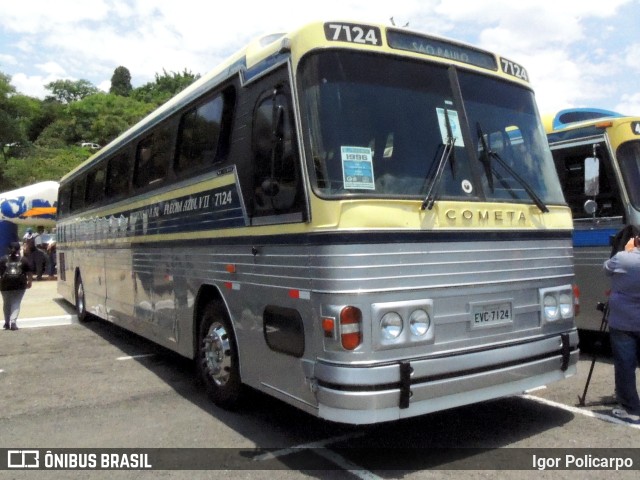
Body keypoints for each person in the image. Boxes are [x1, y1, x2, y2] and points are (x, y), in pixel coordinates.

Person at [604, 234, 640, 423]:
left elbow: (606, 268)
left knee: (625, 365)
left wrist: (628, 250)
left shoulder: (623, 258)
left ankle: (631, 408)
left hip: (623, 322)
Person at [0, 242, 33, 330]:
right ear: (19, 249)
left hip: (5, 284)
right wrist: (29, 282)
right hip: (19, 284)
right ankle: (13, 322)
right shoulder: (24, 260)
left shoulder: (2, 259)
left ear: (8, 249)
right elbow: (29, 272)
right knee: (16, 302)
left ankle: (7, 323)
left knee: (6, 303)